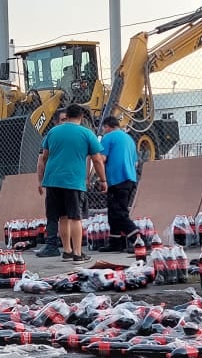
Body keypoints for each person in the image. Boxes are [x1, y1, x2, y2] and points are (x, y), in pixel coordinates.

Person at [36, 103, 107, 262]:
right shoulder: (87, 133)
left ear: (66, 116)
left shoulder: (53, 132)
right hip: (73, 181)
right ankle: (77, 253)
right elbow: (96, 160)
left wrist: (41, 179)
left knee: (62, 217)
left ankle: (67, 251)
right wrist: (103, 180)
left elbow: (44, 157)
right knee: (75, 217)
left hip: (53, 181)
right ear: (81, 117)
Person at [98, 115, 140, 251]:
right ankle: (115, 242)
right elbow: (135, 162)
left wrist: (98, 177)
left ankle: (139, 240)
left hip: (117, 179)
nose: (103, 131)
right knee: (113, 212)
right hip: (130, 179)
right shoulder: (129, 139)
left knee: (119, 213)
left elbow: (101, 159)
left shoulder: (108, 138)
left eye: (104, 129)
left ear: (107, 127)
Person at [34, 110, 68, 257]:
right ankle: (53, 244)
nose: (65, 122)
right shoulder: (50, 136)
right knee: (54, 215)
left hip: (68, 181)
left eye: (67, 119)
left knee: (67, 216)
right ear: (55, 122)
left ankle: (65, 245)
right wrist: (40, 180)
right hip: (55, 181)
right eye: (62, 120)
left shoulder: (55, 136)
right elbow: (41, 160)